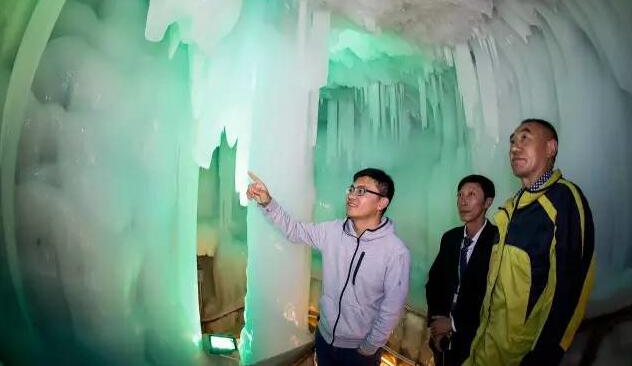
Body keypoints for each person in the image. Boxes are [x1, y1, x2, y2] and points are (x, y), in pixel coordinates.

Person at [247, 168, 410, 366]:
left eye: (361, 191)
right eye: (352, 189)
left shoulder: (395, 252)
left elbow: (392, 307)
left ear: (381, 203)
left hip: (360, 352)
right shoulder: (333, 232)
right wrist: (267, 202)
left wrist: (370, 346)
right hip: (324, 339)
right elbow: (295, 230)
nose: (351, 195)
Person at [466, 119, 595, 366]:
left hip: (519, 356)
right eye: (512, 141)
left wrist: (544, 356)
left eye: (525, 138)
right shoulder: (510, 209)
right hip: (484, 350)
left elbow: (571, 288)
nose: (515, 147)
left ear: (550, 148)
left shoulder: (564, 200)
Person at [426, 175, 498, 366]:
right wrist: (437, 322)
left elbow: (492, 296)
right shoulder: (450, 237)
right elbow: (434, 282)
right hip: (441, 336)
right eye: (460, 195)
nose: (463, 201)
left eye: (471, 194)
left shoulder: (497, 243)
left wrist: (454, 324)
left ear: (487, 202)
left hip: (476, 339)